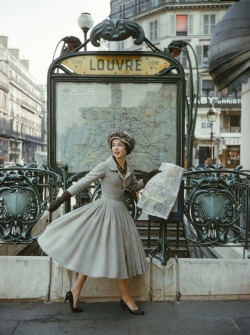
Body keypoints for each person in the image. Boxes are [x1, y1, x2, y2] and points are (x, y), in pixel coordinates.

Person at [38, 130, 160, 315]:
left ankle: (75, 291)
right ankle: (126, 298)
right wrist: (61, 199)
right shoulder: (105, 166)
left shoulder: (128, 168)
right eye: (113, 145)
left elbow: (134, 187)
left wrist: (147, 179)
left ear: (127, 149)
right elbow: (83, 183)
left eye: (120, 145)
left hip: (119, 212)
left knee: (98, 253)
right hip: (104, 212)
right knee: (115, 253)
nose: (116, 148)